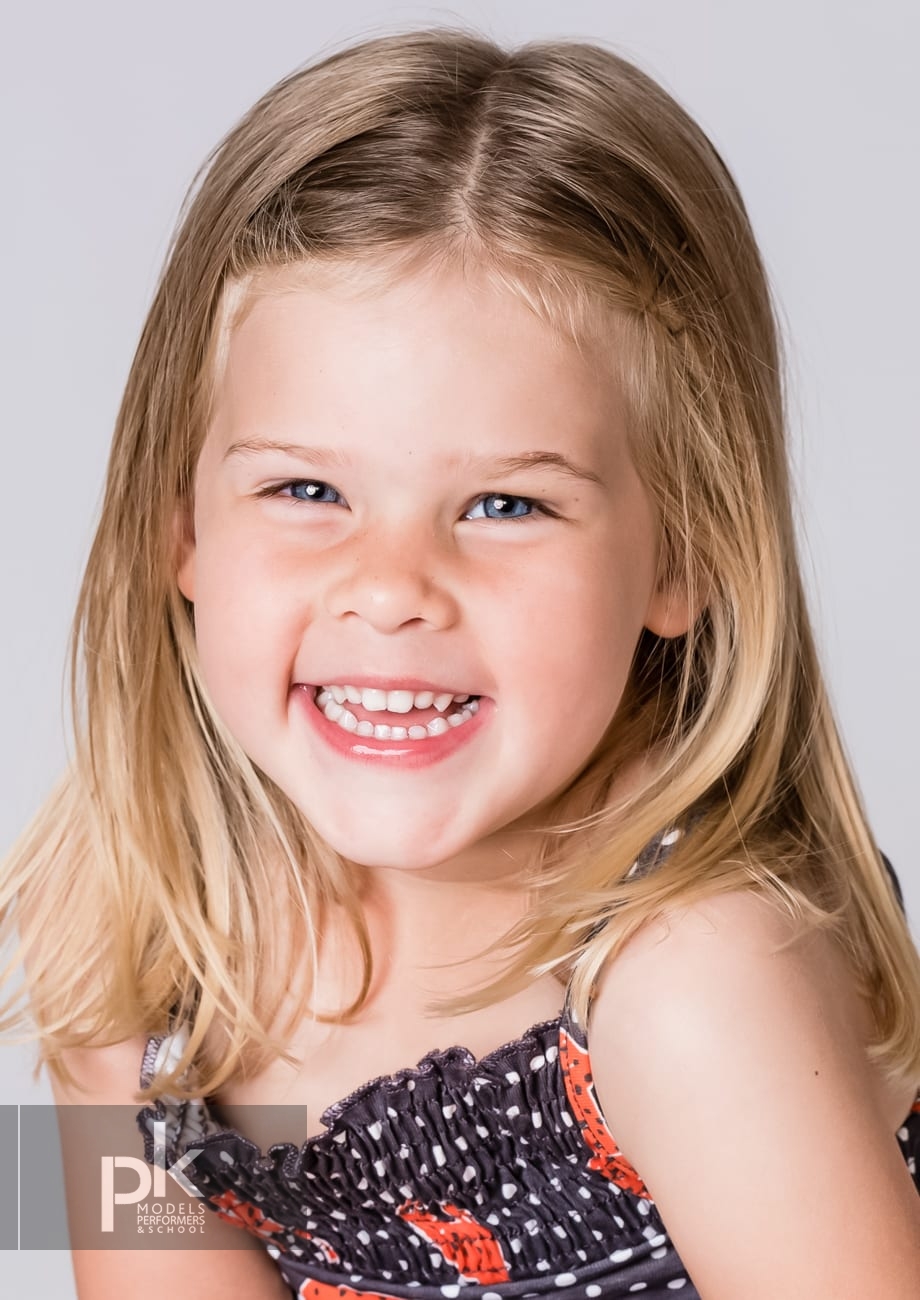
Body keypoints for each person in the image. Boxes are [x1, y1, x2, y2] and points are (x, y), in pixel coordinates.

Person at [3, 26, 920, 1300]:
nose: (390, 587)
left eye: (504, 505)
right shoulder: (129, 978)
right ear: (180, 527)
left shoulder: (693, 983)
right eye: (306, 488)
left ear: (685, 553)